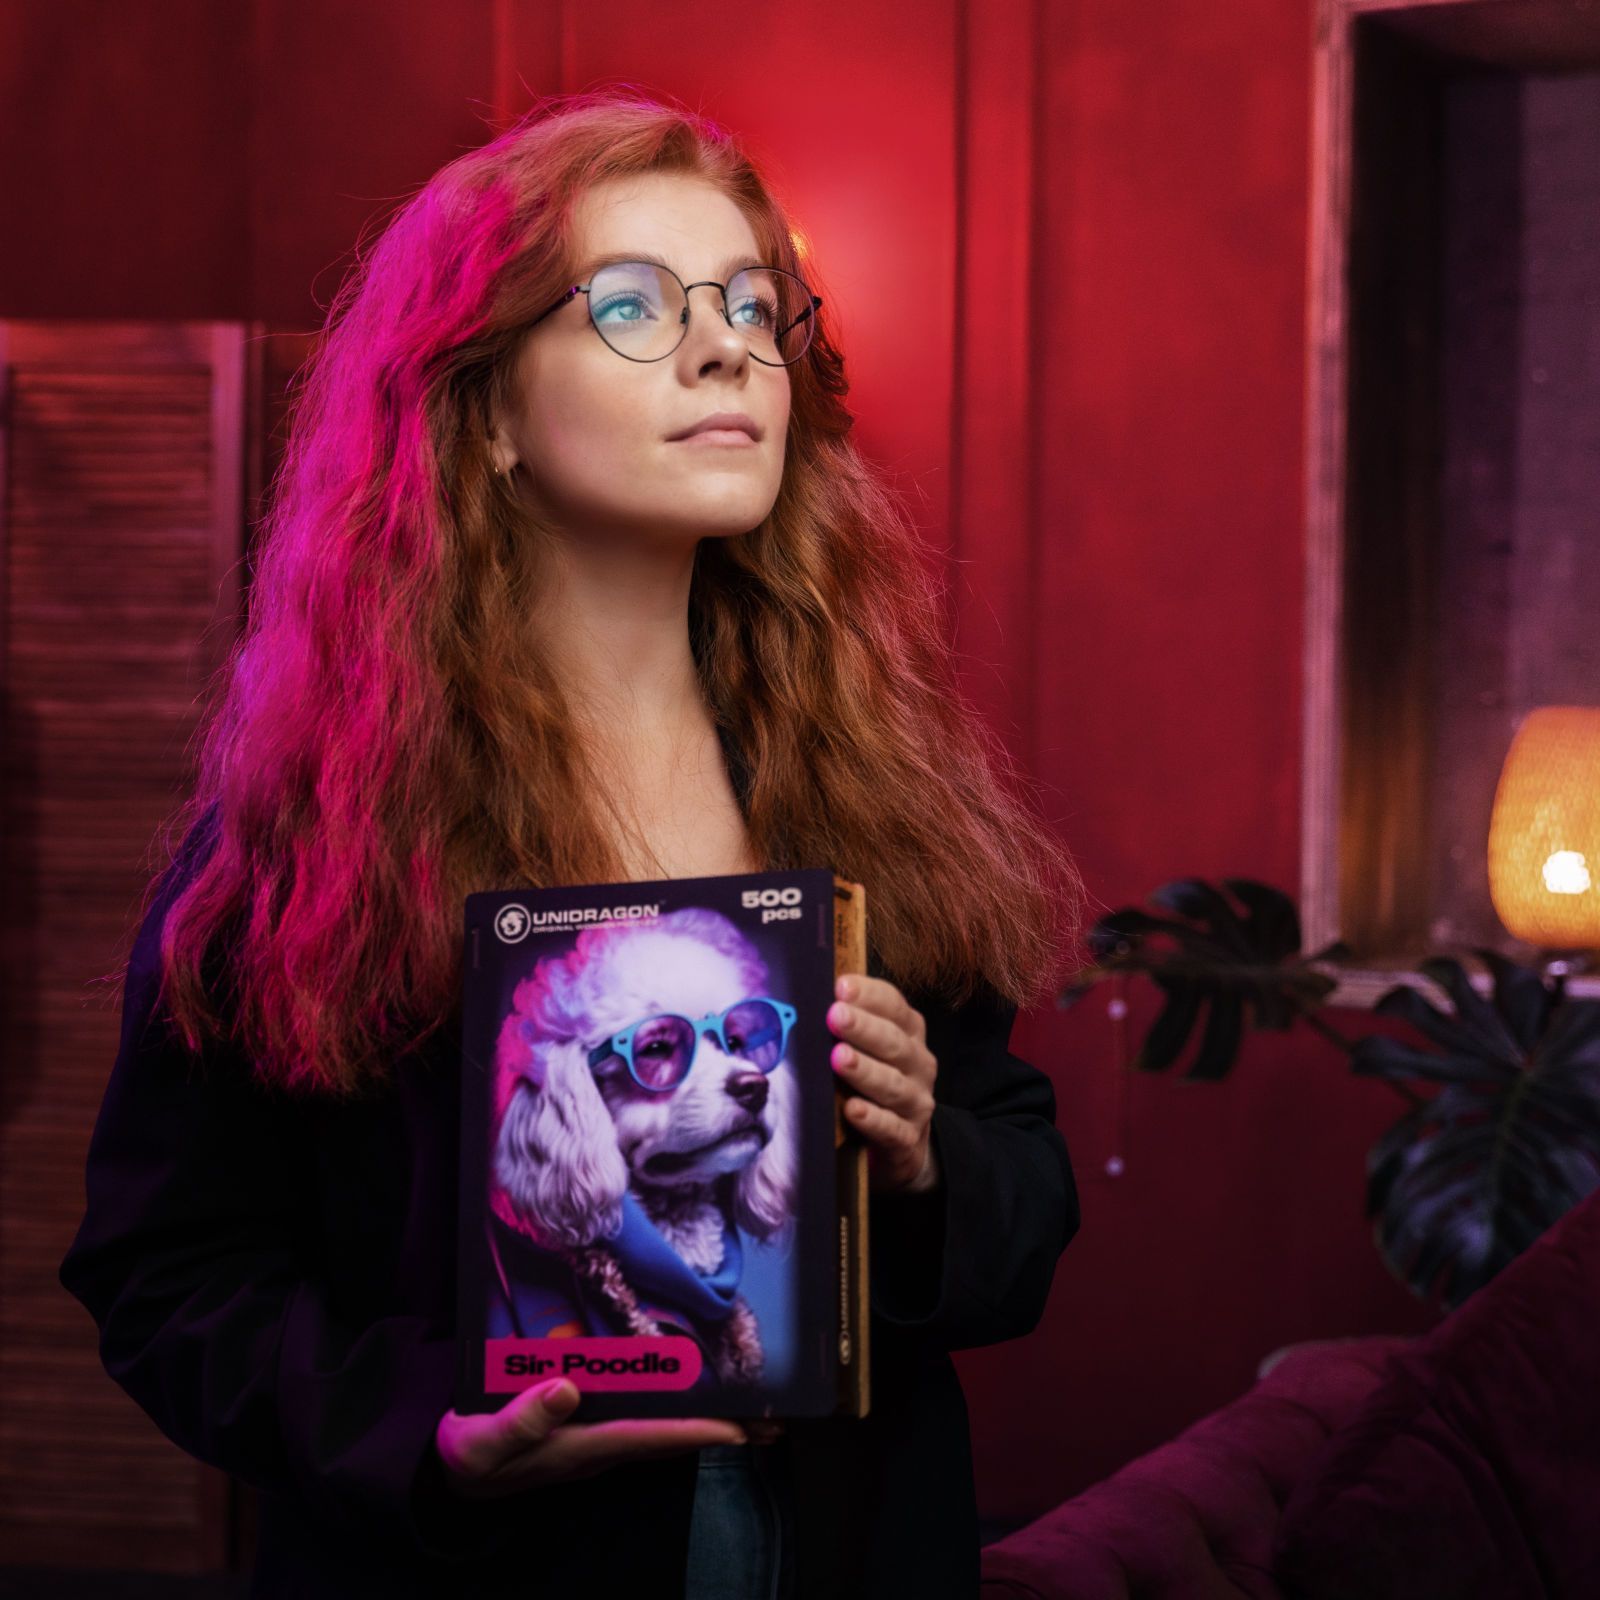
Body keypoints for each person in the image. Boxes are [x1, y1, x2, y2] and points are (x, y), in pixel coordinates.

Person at [58, 87, 1085, 1598]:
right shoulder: (313, 832)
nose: (727, 348)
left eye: (752, 304)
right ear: (481, 416)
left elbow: (1029, 1211)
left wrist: (931, 1161)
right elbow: (168, 1277)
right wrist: (431, 1432)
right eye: (632, 305)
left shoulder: (876, 789)